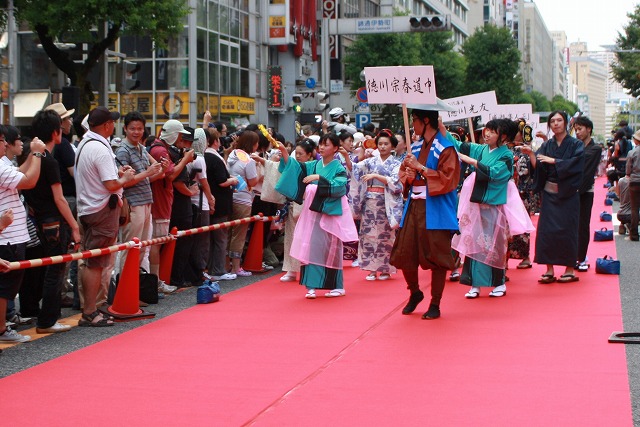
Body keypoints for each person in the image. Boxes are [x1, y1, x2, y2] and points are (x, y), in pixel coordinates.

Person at [389, 108, 460, 320]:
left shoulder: (446, 147)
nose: (413, 125)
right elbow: (404, 175)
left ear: (426, 120)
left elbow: (448, 179)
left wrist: (420, 168)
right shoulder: (415, 147)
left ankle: (435, 302)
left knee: (438, 256)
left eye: (415, 120)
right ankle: (415, 292)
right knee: (404, 252)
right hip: (414, 205)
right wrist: (409, 175)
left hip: (436, 207)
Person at [275, 133, 358, 298]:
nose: (322, 147)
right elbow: (295, 168)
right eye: (321, 144)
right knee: (311, 246)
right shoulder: (313, 165)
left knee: (331, 249)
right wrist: (284, 151)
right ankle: (311, 286)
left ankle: (337, 286)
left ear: (335, 148)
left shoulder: (338, 167)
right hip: (313, 213)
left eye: (326, 144)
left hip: (330, 212)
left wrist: (319, 178)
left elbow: (340, 187)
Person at [75, 106, 135, 327]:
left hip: (88, 208)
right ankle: (90, 311)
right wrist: (125, 178)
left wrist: (118, 176)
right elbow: (110, 185)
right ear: (107, 125)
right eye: (112, 122)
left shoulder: (85, 143)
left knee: (92, 261)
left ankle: (90, 309)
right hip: (101, 210)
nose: (113, 125)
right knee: (96, 262)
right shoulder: (100, 148)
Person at [23, 109, 81, 333]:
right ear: (56, 132)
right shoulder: (50, 161)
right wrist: (74, 226)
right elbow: (59, 199)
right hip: (53, 221)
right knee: (55, 270)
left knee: (46, 268)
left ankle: (43, 316)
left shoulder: (32, 157)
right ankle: (47, 320)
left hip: (36, 219)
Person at [451, 119, 521, 298]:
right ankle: (474, 284)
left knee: (493, 245)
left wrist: (473, 162)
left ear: (503, 136)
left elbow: (496, 173)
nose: (487, 134)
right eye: (487, 130)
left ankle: (499, 283)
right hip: (476, 205)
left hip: (493, 205)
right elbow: (459, 145)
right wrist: (442, 128)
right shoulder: (482, 149)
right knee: (473, 242)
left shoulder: (506, 155)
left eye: (492, 131)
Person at [0, 130, 46, 342]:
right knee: (5, 287)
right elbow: (29, 181)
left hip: (11, 234)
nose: (5, 144)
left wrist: (32, 155)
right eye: (2, 140)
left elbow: (19, 172)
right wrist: (36, 154)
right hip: (6, 235)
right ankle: (2, 329)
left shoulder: (4, 164)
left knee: (8, 286)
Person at [532, 111, 584, 283]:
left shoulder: (576, 144)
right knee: (547, 231)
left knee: (568, 230)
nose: (555, 123)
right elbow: (539, 166)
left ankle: (569, 269)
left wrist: (555, 161)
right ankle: (549, 269)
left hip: (568, 194)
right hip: (549, 194)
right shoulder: (547, 145)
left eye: (559, 120)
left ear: (566, 123)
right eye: (552, 121)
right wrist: (531, 154)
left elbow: (577, 165)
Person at [115, 112, 164, 275]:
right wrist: (148, 172)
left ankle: (136, 285)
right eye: (132, 129)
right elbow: (125, 182)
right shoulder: (123, 151)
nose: (136, 132)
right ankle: (125, 285)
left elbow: (147, 178)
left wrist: (158, 170)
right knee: (131, 248)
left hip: (146, 201)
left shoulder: (142, 148)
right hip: (133, 204)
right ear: (125, 129)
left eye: (139, 129)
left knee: (141, 248)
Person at [148, 119, 195, 290]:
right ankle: (155, 282)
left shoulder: (160, 148)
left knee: (157, 242)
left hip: (161, 200)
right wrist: (185, 160)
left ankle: (155, 282)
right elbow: (171, 175)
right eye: (180, 135)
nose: (181, 139)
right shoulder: (160, 150)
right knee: (156, 243)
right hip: (160, 201)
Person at [351, 129, 403, 281]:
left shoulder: (396, 163)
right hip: (370, 202)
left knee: (385, 237)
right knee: (368, 236)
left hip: (386, 203)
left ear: (392, 146)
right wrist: (347, 158)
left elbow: (396, 183)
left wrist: (376, 175)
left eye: (386, 144)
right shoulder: (370, 161)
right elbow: (355, 169)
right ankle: (371, 269)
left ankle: (386, 269)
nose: (382, 147)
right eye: (380, 144)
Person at [203, 124, 238, 281]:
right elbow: (222, 181)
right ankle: (218, 270)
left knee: (212, 238)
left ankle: (212, 268)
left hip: (209, 201)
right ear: (215, 141)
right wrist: (233, 180)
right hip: (220, 202)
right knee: (220, 238)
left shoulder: (204, 157)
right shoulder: (214, 158)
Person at [279, 139, 314, 282]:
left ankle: (311, 269)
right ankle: (291, 270)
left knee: (310, 239)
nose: (298, 156)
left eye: (301, 153)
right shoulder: (295, 165)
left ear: (309, 155)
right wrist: (283, 152)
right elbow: (288, 165)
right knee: (291, 237)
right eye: (296, 153)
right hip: (295, 204)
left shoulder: (316, 166)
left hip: (311, 205)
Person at [226, 130, 259, 276]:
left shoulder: (232, 155)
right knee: (239, 234)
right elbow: (253, 181)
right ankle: (236, 267)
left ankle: (225, 265)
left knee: (228, 232)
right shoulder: (249, 160)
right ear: (252, 144)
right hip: (243, 199)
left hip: (230, 197)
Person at [573, 116, 603, 271]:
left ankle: (582, 258)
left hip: (585, 191)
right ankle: (575, 256)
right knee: (572, 225)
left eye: (580, 129)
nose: (577, 132)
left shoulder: (595, 148)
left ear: (589, 129)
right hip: (572, 190)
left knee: (583, 225)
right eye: (576, 129)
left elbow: (587, 169)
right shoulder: (575, 147)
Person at [626, 129, 640, 241]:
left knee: (634, 208)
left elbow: (628, 170)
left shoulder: (632, 152)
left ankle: (634, 234)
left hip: (635, 181)